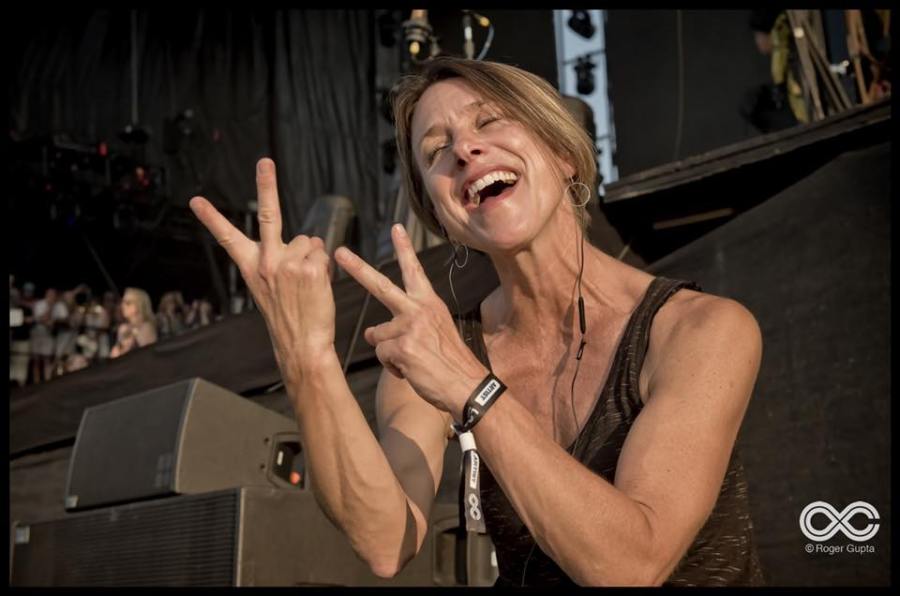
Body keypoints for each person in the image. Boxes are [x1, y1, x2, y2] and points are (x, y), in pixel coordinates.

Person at [190, 57, 764, 586]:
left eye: (489, 121)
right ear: (442, 216)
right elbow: (385, 541)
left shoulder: (699, 329)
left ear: (562, 152)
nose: (464, 150)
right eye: (436, 151)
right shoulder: (441, 348)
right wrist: (305, 354)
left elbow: (632, 566)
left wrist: (472, 389)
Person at [109, 287, 158, 359]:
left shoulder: (146, 327)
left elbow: (148, 356)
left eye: (128, 303)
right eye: (123, 302)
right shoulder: (123, 328)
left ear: (139, 305)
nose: (123, 306)